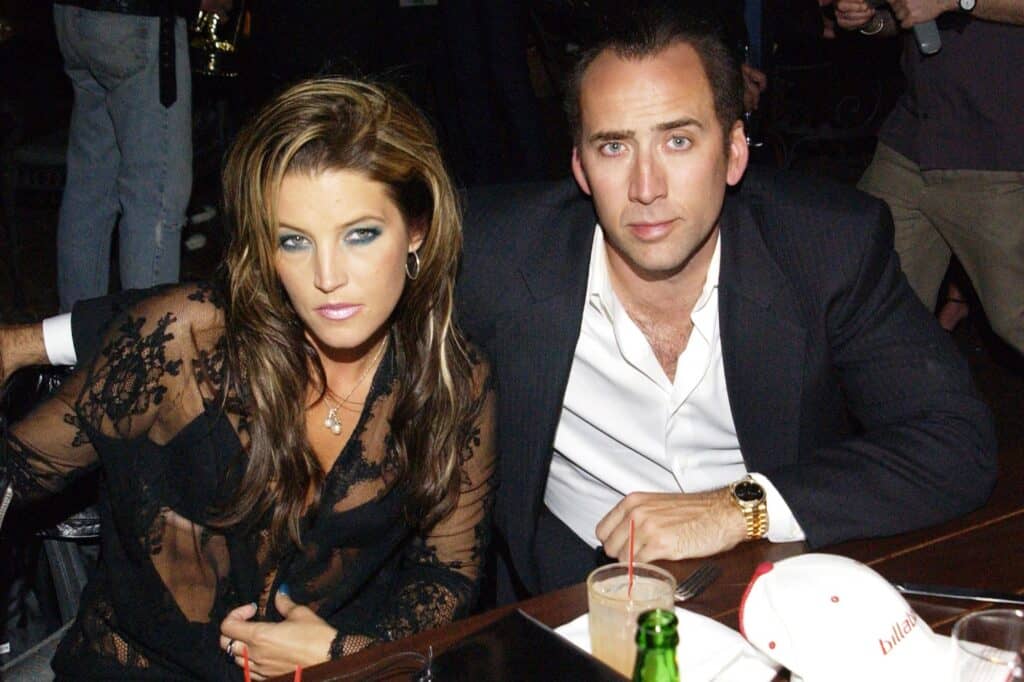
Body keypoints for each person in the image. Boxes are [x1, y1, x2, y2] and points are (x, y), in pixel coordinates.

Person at [1, 6, 996, 604]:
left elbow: (953, 441)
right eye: (614, 146)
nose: (647, 186)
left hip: (773, 589)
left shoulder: (826, 245)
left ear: (735, 150)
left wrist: (735, 510)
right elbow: (257, 287)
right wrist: (23, 342)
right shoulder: (507, 251)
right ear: (579, 165)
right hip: (574, 606)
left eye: (680, 139)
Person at [0, 77, 495, 679]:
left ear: (417, 229)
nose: (327, 277)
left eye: (360, 234)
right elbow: (12, 475)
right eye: (294, 241)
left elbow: (447, 572)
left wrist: (344, 653)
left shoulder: (451, 378)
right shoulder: (186, 344)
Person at [833, 0, 1024, 355]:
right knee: (871, 303)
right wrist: (870, 20)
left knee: (1014, 317)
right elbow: (909, 14)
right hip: (911, 141)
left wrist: (955, 1)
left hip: (993, 151)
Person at [52, 0, 231, 312]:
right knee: (155, 202)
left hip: (73, 16)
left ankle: (75, 335)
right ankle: (145, 340)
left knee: (89, 192)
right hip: (137, 19)